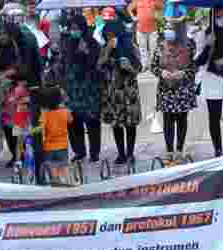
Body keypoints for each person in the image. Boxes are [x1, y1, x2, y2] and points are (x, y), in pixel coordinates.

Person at [195, 8, 223, 157]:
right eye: (218, 16)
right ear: (212, 16)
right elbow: (198, 62)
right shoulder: (204, 34)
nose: (221, 19)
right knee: (214, 117)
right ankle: (218, 150)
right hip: (211, 78)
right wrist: (208, 45)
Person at [151, 16, 197, 158]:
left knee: (182, 119)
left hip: (183, 89)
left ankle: (179, 149)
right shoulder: (160, 46)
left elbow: (195, 66)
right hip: (166, 89)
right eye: (167, 29)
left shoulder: (188, 45)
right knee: (168, 121)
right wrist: (162, 72)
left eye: (171, 29)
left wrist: (183, 73)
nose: (168, 31)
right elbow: (153, 66)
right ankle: (169, 150)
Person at [59, 14, 103, 163]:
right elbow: (63, 65)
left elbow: (97, 65)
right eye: (72, 28)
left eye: (77, 28)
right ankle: (79, 151)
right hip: (72, 89)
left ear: (83, 28)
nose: (74, 31)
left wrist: (87, 54)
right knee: (73, 122)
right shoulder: (67, 44)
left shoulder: (92, 43)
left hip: (89, 89)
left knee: (92, 121)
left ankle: (94, 152)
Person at [99, 19, 142, 165]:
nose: (110, 38)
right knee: (116, 124)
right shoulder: (105, 47)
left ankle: (130, 153)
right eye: (107, 35)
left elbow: (139, 68)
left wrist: (129, 67)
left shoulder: (131, 47)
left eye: (112, 35)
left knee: (130, 124)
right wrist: (108, 51)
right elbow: (98, 66)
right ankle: (121, 153)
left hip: (128, 92)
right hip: (112, 92)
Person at [35, 85, 72, 183]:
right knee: (63, 166)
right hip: (62, 146)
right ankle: (65, 182)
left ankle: (55, 183)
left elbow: (40, 128)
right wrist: (65, 108)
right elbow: (70, 120)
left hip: (49, 147)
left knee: (52, 167)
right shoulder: (65, 112)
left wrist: (30, 131)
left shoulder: (45, 114)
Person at [128, 0, 163, 65]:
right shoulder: (137, 0)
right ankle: (144, 65)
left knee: (153, 48)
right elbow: (129, 8)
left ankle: (152, 65)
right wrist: (133, 17)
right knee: (142, 48)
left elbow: (161, 7)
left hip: (153, 29)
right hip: (140, 29)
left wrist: (158, 15)